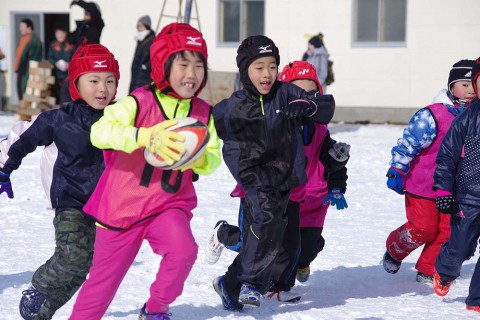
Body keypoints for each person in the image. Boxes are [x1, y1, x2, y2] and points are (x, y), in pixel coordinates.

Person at [69, 22, 221, 320]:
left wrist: (193, 159)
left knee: (183, 251)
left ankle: (155, 309)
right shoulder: (137, 101)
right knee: (102, 286)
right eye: (183, 64)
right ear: (163, 65)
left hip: (168, 205)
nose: (191, 74)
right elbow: (100, 132)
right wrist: (144, 136)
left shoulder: (203, 112)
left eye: (199, 65)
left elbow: (213, 157)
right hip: (121, 210)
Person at [205, 61, 348, 303]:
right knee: (249, 242)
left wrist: (337, 164)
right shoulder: (271, 119)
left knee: (289, 245)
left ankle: (279, 286)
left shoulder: (318, 129)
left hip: (293, 195)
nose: (304, 99)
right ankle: (223, 233)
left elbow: (328, 154)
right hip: (258, 193)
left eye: (310, 93)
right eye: (298, 92)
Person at [0, 42, 120, 320]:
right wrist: (3, 169)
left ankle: (42, 309)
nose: (102, 89)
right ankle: (38, 286)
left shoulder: (120, 120)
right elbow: (21, 137)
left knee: (84, 265)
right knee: (72, 257)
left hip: (106, 205)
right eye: (94, 80)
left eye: (110, 81)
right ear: (77, 83)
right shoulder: (59, 120)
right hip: (69, 201)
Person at [382, 59, 476, 284]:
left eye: (474, 84)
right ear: (451, 86)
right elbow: (409, 143)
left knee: (448, 232)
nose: (471, 90)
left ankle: (427, 268)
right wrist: (397, 169)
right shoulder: (433, 115)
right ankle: (395, 248)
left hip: (456, 189)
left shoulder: (476, 116)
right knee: (423, 228)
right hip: (424, 185)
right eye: (464, 84)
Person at [431, 58, 480, 314]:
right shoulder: (466, 118)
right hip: (468, 197)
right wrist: (442, 190)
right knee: (460, 248)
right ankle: (445, 270)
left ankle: (476, 300)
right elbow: (447, 156)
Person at [14, 18, 42, 101]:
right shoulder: (36, 39)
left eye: (22, 26)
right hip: (32, 70)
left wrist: (17, 69)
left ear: (29, 28)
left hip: (25, 70)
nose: (20, 28)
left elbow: (21, 56)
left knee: (23, 93)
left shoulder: (28, 39)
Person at [47, 23, 75, 105]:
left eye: (62, 33)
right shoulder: (53, 45)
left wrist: (70, 65)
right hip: (57, 75)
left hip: (69, 76)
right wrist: (55, 63)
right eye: (58, 33)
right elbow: (49, 57)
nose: (60, 35)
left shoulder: (71, 44)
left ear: (66, 33)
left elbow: (77, 58)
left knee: (66, 97)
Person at [129, 15, 156, 92]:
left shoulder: (151, 39)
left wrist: (145, 66)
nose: (139, 28)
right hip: (136, 73)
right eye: (138, 25)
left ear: (146, 26)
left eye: (141, 25)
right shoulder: (140, 38)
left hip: (144, 75)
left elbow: (153, 57)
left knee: (139, 94)